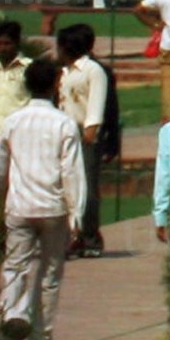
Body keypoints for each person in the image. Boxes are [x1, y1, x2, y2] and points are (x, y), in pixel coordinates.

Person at [0, 38, 88, 340]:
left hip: (19, 206)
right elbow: (72, 173)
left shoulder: (12, 122)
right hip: (53, 208)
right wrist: (77, 215)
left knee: (15, 267)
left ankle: (12, 315)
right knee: (49, 275)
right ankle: (41, 337)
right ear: (55, 85)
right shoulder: (63, 123)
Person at [55, 19, 116, 255]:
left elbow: (96, 101)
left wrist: (91, 129)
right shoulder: (63, 72)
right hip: (63, 134)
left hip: (84, 134)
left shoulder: (92, 70)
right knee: (66, 187)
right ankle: (73, 235)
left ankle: (91, 237)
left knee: (88, 188)